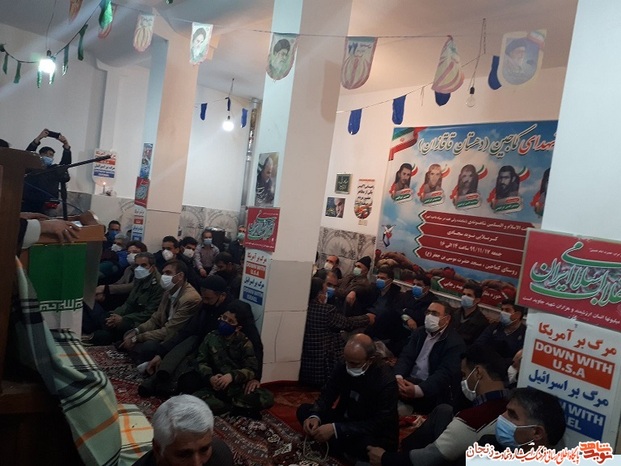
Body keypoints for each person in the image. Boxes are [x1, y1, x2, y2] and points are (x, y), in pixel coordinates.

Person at [367, 344, 511, 466]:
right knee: (443, 411)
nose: (463, 380)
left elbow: (432, 456)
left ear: (478, 373)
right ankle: (405, 448)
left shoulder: (473, 419)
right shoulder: (512, 404)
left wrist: (385, 458)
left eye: (464, 375)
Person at [297, 334, 399, 462]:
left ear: (370, 360)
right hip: (345, 419)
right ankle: (338, 448)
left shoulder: (386, 381)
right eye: (346, 360)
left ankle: (339, 448)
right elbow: (328, 393)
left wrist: (336, 429)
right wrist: (315, 416)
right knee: (304, 411)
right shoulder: (344, 364)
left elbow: (379, 423)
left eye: (354, 363)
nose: (348, 365)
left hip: (369, 430)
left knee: (366, 446)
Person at [189, 306, 274, 418]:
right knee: (194, 402)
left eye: (230, 321)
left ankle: (229, 407)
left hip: (237, 387)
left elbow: (251, 369)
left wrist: (232, 376)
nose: (225, 322)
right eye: (224, 318)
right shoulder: (211, 337)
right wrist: (210, 377)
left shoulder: (244, 342)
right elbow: (201, 361)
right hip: (215, 387)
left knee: (267, 398)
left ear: (238, 328)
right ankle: (235, 408)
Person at [120, 260, 201, 363]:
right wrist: (137, 331)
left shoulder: (190, 298)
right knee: (128, 332)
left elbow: (171, 331)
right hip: (163, 331)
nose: (164, 276)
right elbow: (156, 318)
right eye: (163, 273)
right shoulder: (168, 291)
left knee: (148, 346)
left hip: (175, 339)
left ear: (180, 276)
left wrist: (137, 338)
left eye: (168, 273)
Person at [299, 277, 374, 388]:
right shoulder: (326, 311)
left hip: (305, 364)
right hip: (322, 367)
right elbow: (346, 323)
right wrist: (367, 318)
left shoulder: (303, 307)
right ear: (319, 294)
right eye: (324, 292)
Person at [394, 301, 466, 415]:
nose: (429, 316)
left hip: (430, 389)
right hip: (407, 380)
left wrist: (419, 390)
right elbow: (406, 356)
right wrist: (398, 377)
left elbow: (444, 374)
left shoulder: (455, 343)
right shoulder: (420, 332)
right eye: (428, 312)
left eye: (435, 314)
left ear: (447, 319)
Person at [83, 252, 164, 345]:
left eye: (143, 265)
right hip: (130, 315)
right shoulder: (139, 279)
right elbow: (129, 304)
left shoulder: (158, 285)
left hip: (141, 321)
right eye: (137, 265)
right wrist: (115, 314)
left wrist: (123, 319)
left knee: (112, 329)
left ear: (152, 267)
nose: (139, 268)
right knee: (106, 318)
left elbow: (149, 313)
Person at [133, 394, 233, 466]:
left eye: (204, 450)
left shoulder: (221, 456)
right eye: (184, 455)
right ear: (158, 450)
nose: (197, 463)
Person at [479, 387, 566, 450]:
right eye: (506, 411)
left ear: (537, 433)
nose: (502, 417)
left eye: (512, 415)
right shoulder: (487, 448)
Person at [21, 129, 72, 213]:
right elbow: (27, 155)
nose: (49, 157)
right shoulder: (32, 167)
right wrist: (39, 138)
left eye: (51, 155)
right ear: (40, 155)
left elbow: (65, 165)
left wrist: (66, 145)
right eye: (47, 154)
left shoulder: (54, 170)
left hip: (46, 205)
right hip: (28, 202)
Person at [475, 300, 526, 366]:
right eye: (502, 309)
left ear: (518, 315)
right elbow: (479, 344)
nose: (502, 313)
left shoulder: (525, 334)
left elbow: (517, 360)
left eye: (507, 310)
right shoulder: (494, 326)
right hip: (484, 363)